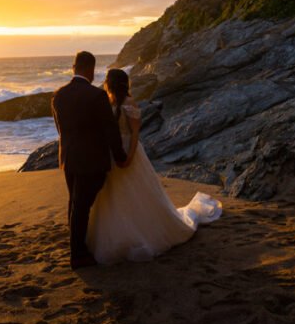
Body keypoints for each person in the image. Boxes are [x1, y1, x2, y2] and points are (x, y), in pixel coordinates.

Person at [87, 68, 222, 264]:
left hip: (127, 151)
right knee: (114, 193)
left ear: (110, 83)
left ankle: (140, 231)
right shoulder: (108, 103)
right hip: (112, 152)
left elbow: (134, 134)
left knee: (135, 192)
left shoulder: (128, 103)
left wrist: (130, 156)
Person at [51, 51, 127, 269]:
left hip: (68, 158)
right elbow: (110, 129)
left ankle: (76, 246)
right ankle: (78, 254)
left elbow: (60, 129)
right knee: (82, 206)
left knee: (74, 203)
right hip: (91, 160)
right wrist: (120, 156)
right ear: (91, 69)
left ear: (74, 67)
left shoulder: (58, 94)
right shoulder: (96, 96)